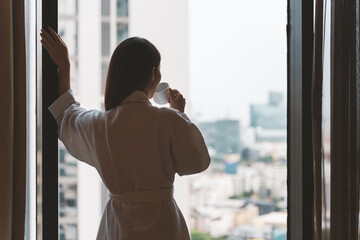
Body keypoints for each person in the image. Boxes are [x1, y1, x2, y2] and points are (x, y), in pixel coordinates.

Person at [40, 26, 211, 240]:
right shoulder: (168, 120)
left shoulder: (99, 124)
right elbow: (197, 162)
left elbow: (65, 114)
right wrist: (179, 114)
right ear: (152, 74)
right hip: (163, 223)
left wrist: (64, 65)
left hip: (119, 225)